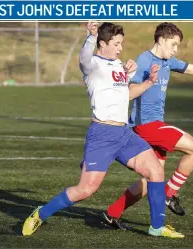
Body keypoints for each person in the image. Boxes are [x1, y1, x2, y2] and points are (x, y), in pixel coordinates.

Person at [22, 22, 184, 238]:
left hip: (124, 134)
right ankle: (40, 214)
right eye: (116, 44)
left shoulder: (117, 64)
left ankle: (157, 227)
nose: (120, 47)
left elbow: (125, 94)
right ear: (102, 43)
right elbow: (83, 58)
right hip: (102, 135)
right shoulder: (92, 65)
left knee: (156, 171)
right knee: (85, 190)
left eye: (121, 43)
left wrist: (148, 82)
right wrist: (90, 36)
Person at [103, 22, 193, 228]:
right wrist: (142, 80)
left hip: (153, 126)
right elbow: (129, 89)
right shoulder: (144, 59)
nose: (176, 50)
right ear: (161, 40)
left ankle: (113, 213)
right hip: (147, 125)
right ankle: (170, 194)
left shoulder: (168, 61)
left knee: (150, 180)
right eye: (173, 45)